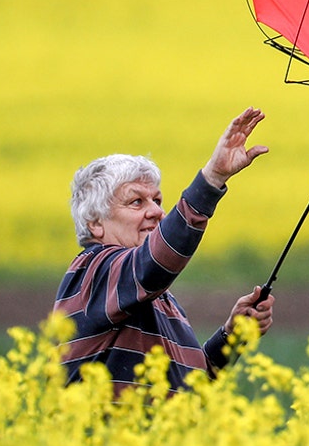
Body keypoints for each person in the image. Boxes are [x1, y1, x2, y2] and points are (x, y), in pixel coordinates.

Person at [52, 108, 276, 392]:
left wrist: (232, 335)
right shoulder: (93, 272)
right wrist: (212, 178)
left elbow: (188, 390)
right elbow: (155, 263)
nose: (157, 212)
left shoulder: (155, 298)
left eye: (157, 200)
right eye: (137, 202)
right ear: (95, 223)